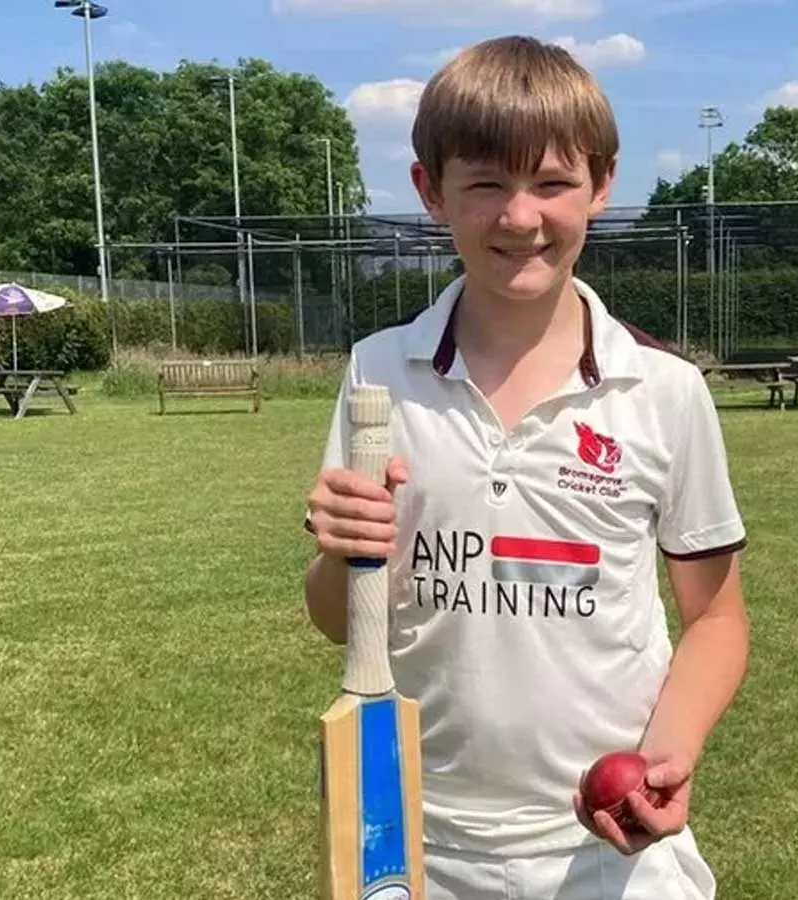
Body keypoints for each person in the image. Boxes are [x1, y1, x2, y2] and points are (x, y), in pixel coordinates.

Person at [303, 34, 750, 900]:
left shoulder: (663, 389)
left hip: (610, 852)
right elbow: (339, 621)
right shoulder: (377, 373)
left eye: (551, 183)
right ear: (431, 190)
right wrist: (340, 554)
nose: (520, 217)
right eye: (485, 184)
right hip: (422, 842)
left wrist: (670, 754)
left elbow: (718, 618)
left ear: (602, 185)